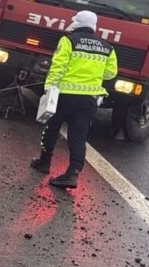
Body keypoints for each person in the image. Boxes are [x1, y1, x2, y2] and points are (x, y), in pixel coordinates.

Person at [30, 10, 118, 188]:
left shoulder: (68, 40)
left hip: (64, 95)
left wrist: (49, 87)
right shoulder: (107, 47)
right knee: (78, 136)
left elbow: (58, 66)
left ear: (77, 23)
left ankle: (44, 162)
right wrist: (92, 74)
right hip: (89, 99)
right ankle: (73, 173)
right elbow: (111, 73)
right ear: (94, 26)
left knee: (51, 128)